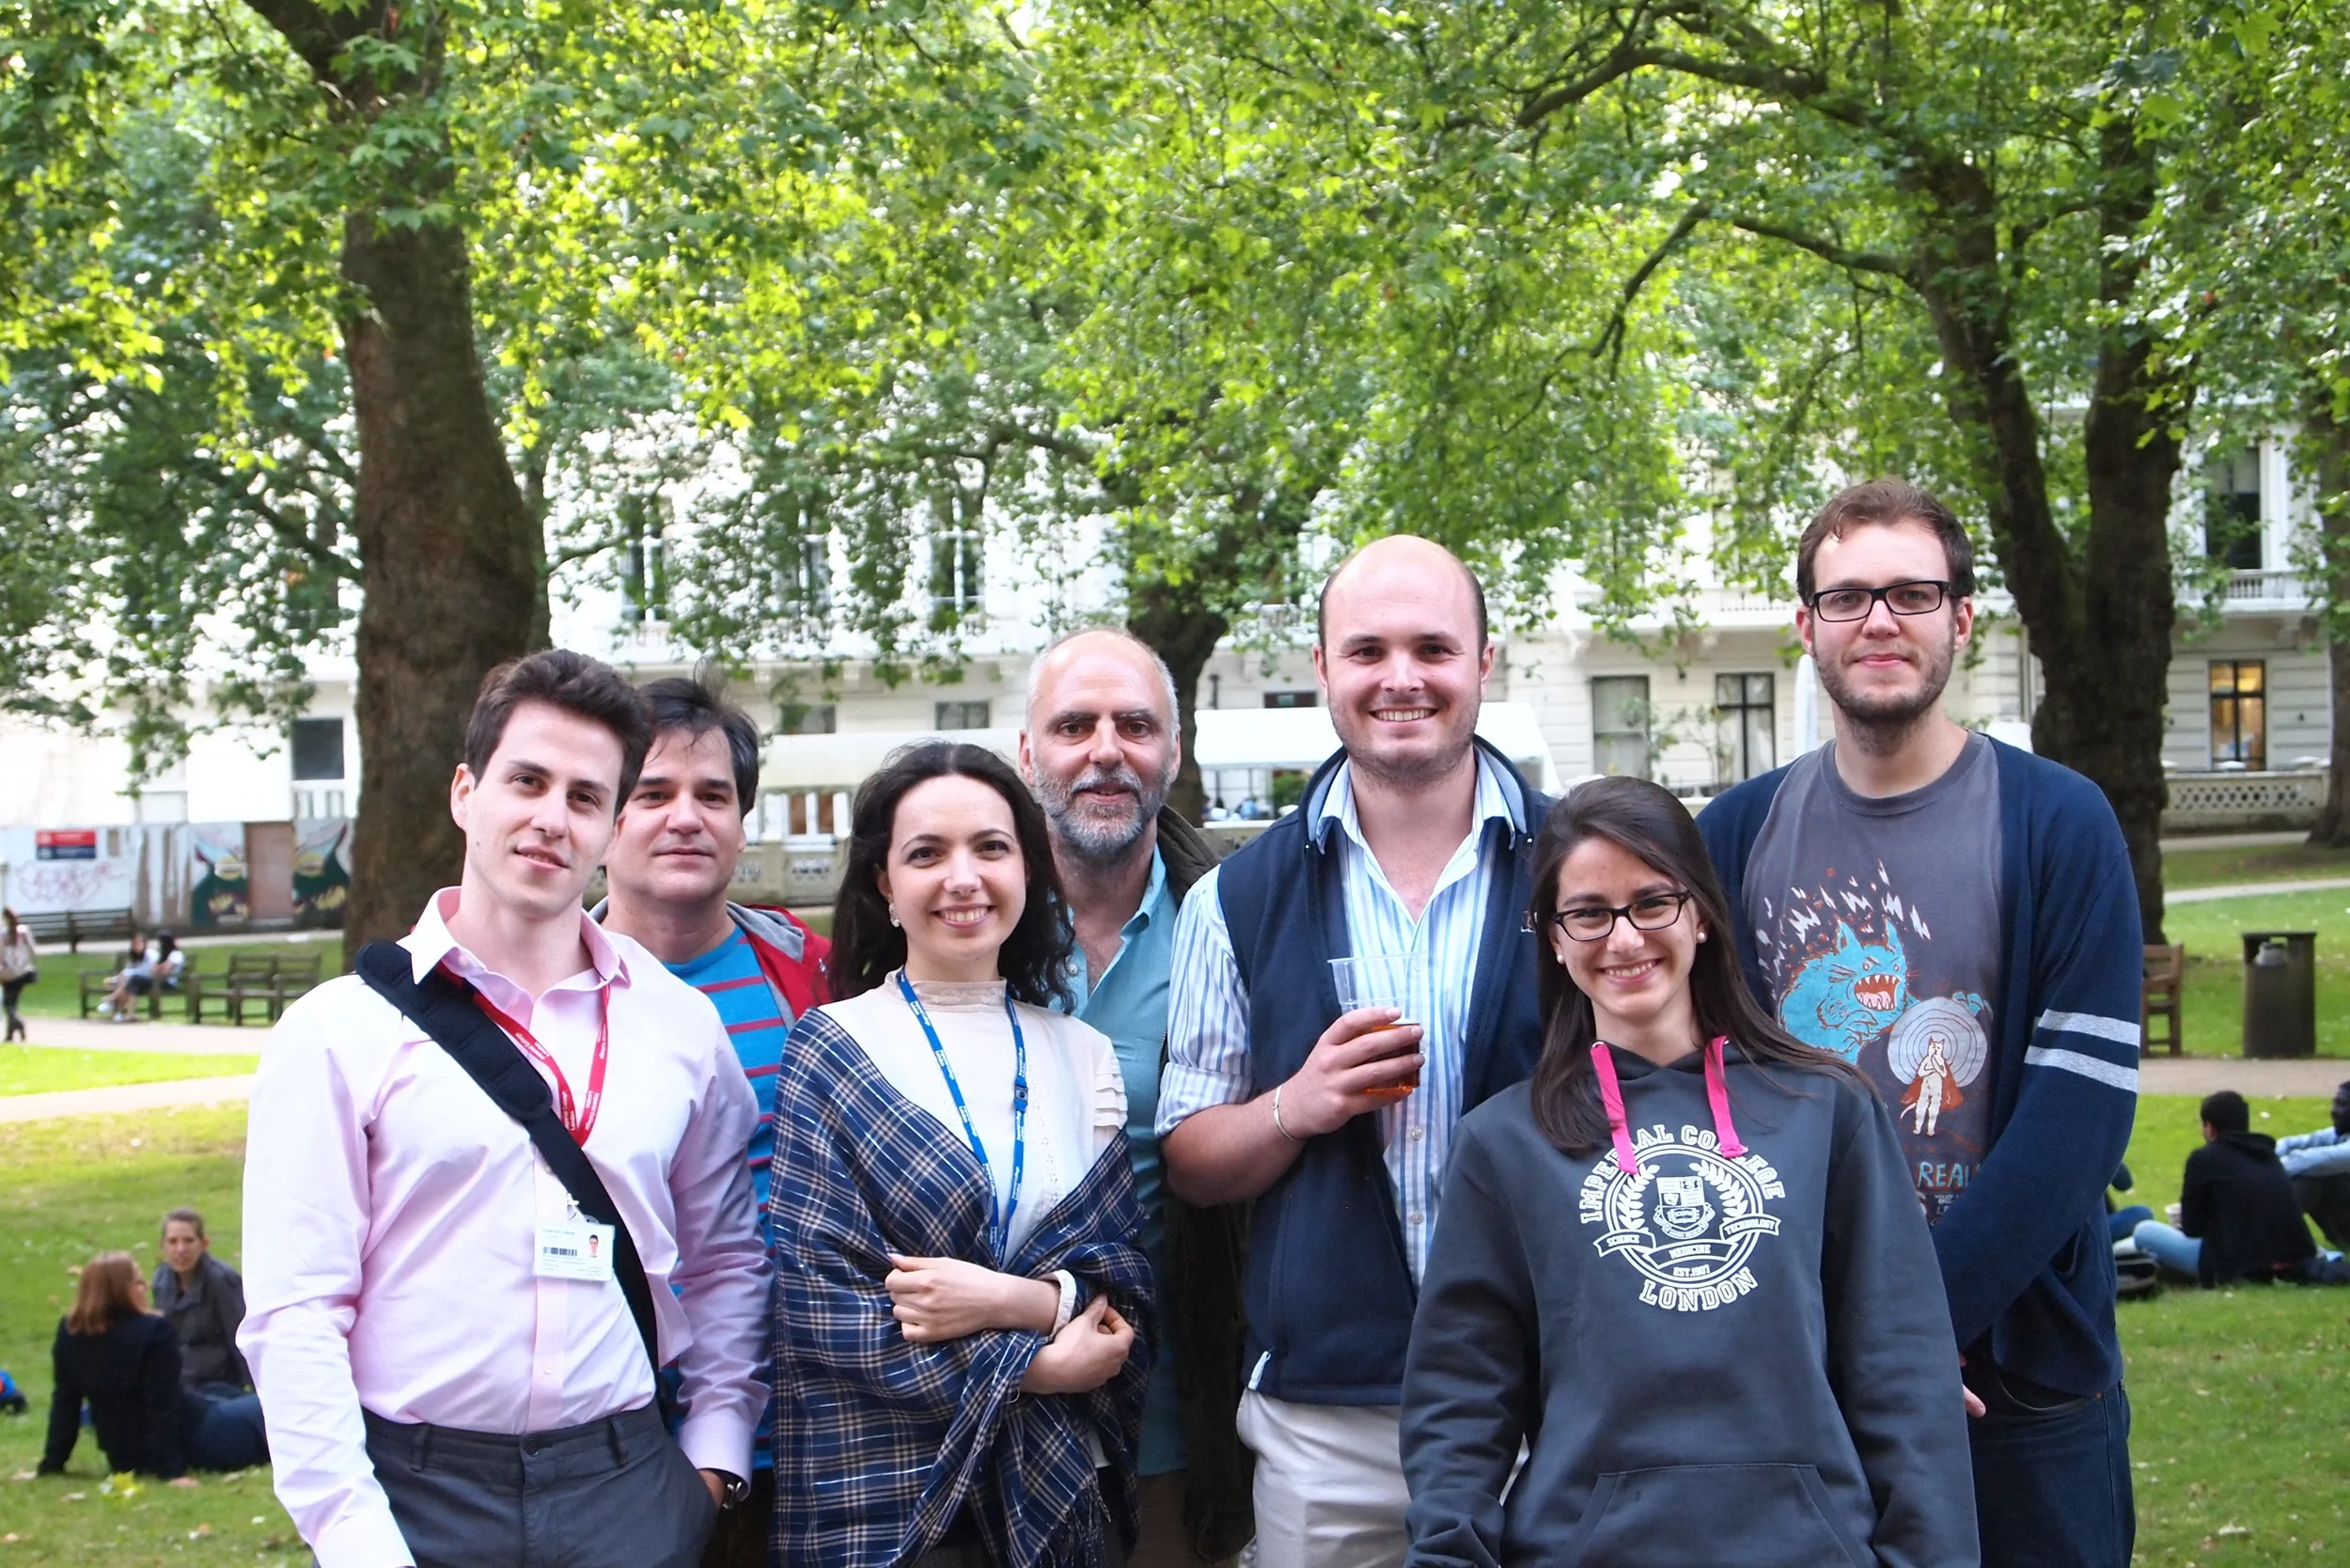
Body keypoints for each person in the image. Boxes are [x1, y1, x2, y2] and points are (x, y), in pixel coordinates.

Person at [239, 650, 770, 1568]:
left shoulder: (680, 1030)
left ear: (608, 827)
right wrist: (355, 1536)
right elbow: (296, 1315)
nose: (549, 818)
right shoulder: (336, 1034)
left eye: (583, 796)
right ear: (464, 793)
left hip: (629, 1489)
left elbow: (726, 1263)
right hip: (415, 1494)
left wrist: (713, 1461)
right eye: (526, 781)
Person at [1700, 479, 2142, 1568]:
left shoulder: (2058, 822)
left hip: (2019, 1376)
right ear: (1805, 626)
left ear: (1962, 617)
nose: (1880, 621)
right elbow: (1707, 1101)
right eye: (1846, 598)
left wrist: (1901, 1337)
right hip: (1795, 1369)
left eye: (1911, 592)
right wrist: (1828, 1342)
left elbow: (2076, 1125)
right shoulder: (1734, 834)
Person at [1402, 775, 1978, 1567]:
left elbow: (1901, 1367)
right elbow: (1461, 1400)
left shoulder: (1826, 1110)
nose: (1626, 938)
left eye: (1652, 902)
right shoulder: (1504, 1144)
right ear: (1556, 937)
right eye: (1589, 913)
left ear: (1701, 912)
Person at [1159, 535, 1551, 1568]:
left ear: (1483, 662)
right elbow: (1191, 1161)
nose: (1402, 678)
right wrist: (1300, 1102)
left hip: (1554, 1394)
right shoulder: (1235, 901)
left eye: (1433, 647)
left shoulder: (1582, 874)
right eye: (1367, 650)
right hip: (1325, 1419)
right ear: (1324, 669)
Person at [768, 740, 1153, 1567]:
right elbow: (826, 1313)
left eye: (991, 847)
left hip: (1064, 1491)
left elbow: (1124, 1289)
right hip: (892, 1502)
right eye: (926, 853)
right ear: (885, 883)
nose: (963, 878)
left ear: (1027, 868)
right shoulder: (832, 1050)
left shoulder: (1082, 1052)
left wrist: (1009, 1302)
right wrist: (1042, 1367)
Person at [1021, 626, 1247, 1567]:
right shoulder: (963, 934)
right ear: (1027, 754)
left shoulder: (1235, 922)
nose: (1106, 750)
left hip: (1182, 1428)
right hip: (998, 1417)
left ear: (1174, 751)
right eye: (1074, 725)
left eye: (1134, 725)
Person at [597, 666, 832, 1568]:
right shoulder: (543, 1001)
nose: (684, 816)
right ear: (605, 817)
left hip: (812, 1430)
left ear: (742, 820)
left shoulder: (813, 977)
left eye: (713, 794)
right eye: (650, 792)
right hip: (623, 1442)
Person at [39, 1251, 268, 1482]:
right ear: (120, 1290)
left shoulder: (72, 1332)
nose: (145, 1286)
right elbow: (162, 1406)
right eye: (138, 1281)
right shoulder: (152, 1331)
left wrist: (51, 1464)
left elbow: (65, 1403)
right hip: (197, 1439)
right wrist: (171, 1472)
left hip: (125, 1453)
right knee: (270, 1403)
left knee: (219, 1391)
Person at [2130, 1091, 2324, 1284]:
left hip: (2234, 1261)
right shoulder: (2268, 1155)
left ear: (2210, 1128)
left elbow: (2192, 1228)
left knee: (2144, 1231)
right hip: (2291, 1255)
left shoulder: (2204, 1158)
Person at [150, 1207, 250, 1393]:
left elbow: (240, 1337)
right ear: (162, 1245)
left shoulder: (221, 1280)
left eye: (188, 1241)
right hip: (175, 1381)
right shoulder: (161, 1278)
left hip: (216, 1384)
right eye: (173, 1241)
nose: (180, 1250)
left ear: (203, 1244)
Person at [2278, 1078, 2350, 1250]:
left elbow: (2311, 1161)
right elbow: (2288, 1144)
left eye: (2342, 1105)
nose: (2334, 1111)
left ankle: (2268, 1238)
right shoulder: (2340, 1134)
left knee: (2312, 1176)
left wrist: (2260, 1171)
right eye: (2335, 1103)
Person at [1, 906, 37, 1042]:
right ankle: (10, 1035)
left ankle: (18, 1024)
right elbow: (33, 950)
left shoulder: (3, 934)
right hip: (23, 971)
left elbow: (1, 955)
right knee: (13, 1001)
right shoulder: (24, 931)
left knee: (8, 1003)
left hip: (8, 972)